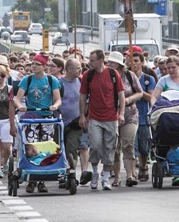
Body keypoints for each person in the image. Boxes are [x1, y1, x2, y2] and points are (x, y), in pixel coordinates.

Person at [13, 53, 62, 193]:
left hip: (46, 116)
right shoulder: (27, 80)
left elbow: (58, 99)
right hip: (31, 116)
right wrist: (20, 106)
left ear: (44, 66)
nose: (33, 66)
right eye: (32, 64)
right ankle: (32, 178)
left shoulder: (52, 80)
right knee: (31, 146)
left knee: (46, 147)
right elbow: (17, 98)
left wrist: (55, 106)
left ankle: (42, 180)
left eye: (37, 64)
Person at [78, 49, 125, 191]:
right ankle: (95, 173)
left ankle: (105, 177)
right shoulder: (88, 75)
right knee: (96, 145)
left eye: (92, 60)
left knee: (110, 148)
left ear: (100, 60)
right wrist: (82, 115)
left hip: (111, 117)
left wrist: (121, 113)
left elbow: (121, 95)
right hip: (94, 117)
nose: (89, 63)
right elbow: (83, 96)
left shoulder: (112, 73)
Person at [150, 55, 179, 186]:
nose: (170, 70)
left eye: (173, 67)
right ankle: (175, 171)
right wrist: (154, 106)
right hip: (171, 116)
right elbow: (154, 96)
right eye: (168, 68)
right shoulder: (164, 81)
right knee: (171, 139)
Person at [105, 51, 143, 188]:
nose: (109, 65)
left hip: (129, 114)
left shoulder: (129, 75)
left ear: (120, 64)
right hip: (111, 115)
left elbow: (140, 92)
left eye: (113, 63)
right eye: (108, 62)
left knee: (128, 144)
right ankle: (116, 177)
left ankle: (129, 175)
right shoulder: (106, 76)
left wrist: (128, 99)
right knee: (115, 148)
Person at [58, 58, 89, 184]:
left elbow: (87, 101)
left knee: (72, 148)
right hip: (60, 123)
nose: (80, 70)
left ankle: (71, 176)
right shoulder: (59, 83)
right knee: (60, 149)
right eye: (77, 68)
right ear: (69, 69)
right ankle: (62, 173)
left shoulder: (82, 82)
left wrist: (85, 117)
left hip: (76, 122)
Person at [131, 52, 156, 182]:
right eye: (130, 61)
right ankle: (132, 172)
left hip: (143, 117)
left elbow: (151, 97)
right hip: (130, 118)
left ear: (141, 62)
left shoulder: (148, 79)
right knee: (131, 147)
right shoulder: (126, 77)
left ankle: (143, 165)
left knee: (144, 148)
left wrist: (139, 91)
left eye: (136, 60)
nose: (133, 63)